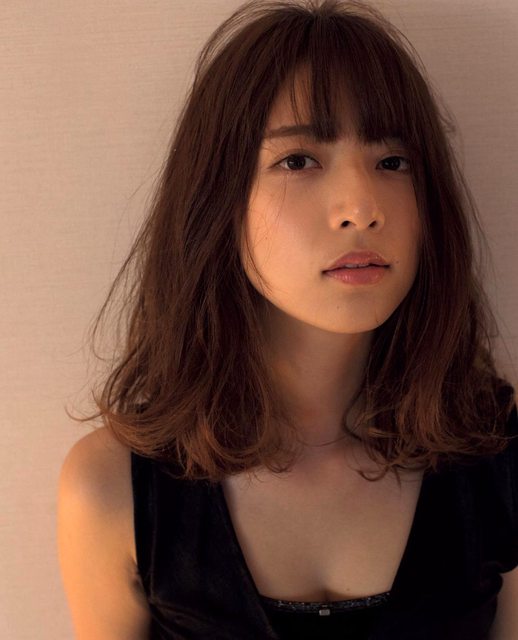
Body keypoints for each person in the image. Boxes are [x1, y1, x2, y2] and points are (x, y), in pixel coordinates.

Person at [56, 1, 518, 638]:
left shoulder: (496, 454)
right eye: (298, 160)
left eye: (393, 161)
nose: (362, 207)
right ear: (218, 201)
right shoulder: (113, 489)